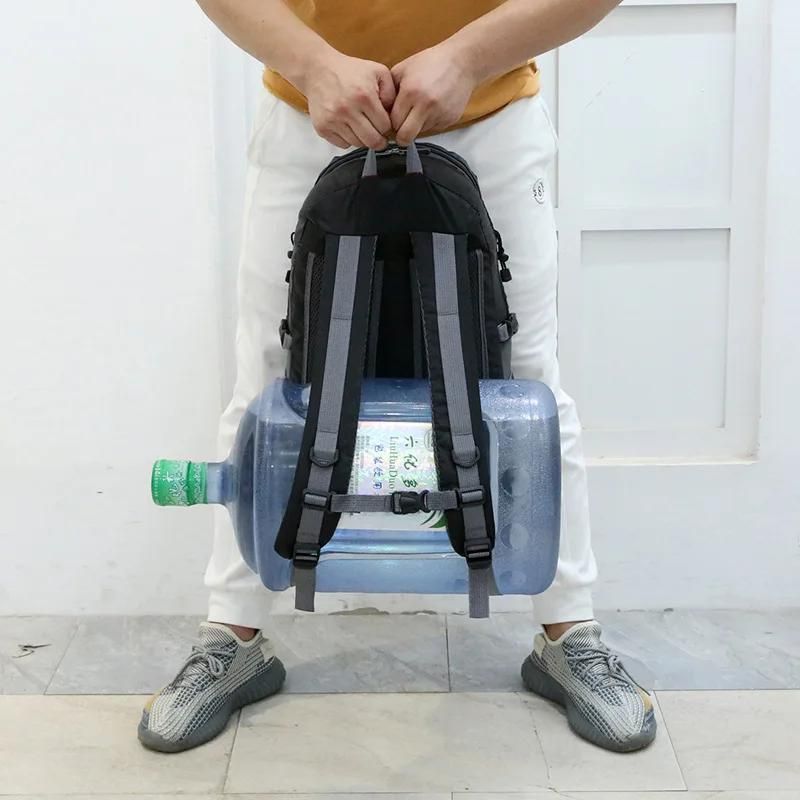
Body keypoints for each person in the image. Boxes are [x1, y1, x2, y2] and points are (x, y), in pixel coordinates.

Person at [138, 0, 656, 756]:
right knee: (269, 382)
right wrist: (314, 65)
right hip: (309, 114)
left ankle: (568, 632)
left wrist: (468, 57)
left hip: (490, 117)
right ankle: (232, 635)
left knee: (530, 386)